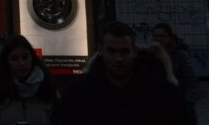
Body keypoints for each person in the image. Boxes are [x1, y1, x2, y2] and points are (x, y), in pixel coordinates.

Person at [53, 20, 189, 125]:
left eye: (124, 51)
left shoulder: (159, 91)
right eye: (111, 51)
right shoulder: (78, 93)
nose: (118, 59)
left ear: (135, 51)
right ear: (100, 51)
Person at [0, 34, 56, 125]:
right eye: (14, 58)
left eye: (25, 57)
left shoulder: (47, 87)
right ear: (6, 62)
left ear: (32, 58)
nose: (21, 63)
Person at [153, 22, 198, 125]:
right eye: (156, 36)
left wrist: (187, 103)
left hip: (178, 104)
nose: (159, 39)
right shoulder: (150, 55)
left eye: (162, 36)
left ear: (170, 37)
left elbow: (191, 81)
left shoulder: (179, 55)